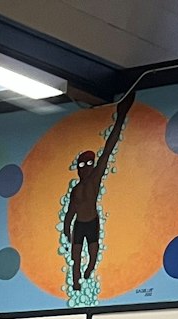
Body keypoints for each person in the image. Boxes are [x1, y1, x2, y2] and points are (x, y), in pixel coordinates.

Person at [62, 92, 135, 293]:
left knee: (92, 255)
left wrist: (120, 117)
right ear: (78, 168)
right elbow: (70, 212)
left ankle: (89, 269)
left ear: (92, 166)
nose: (85, 169)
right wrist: (67, 230)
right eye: (82, 165)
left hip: (92, 222)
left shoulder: (95, 179)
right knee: (76, 256)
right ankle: (76, 282)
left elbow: (108, 148)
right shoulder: (76, 190)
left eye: (88, 165)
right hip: (80, 224)